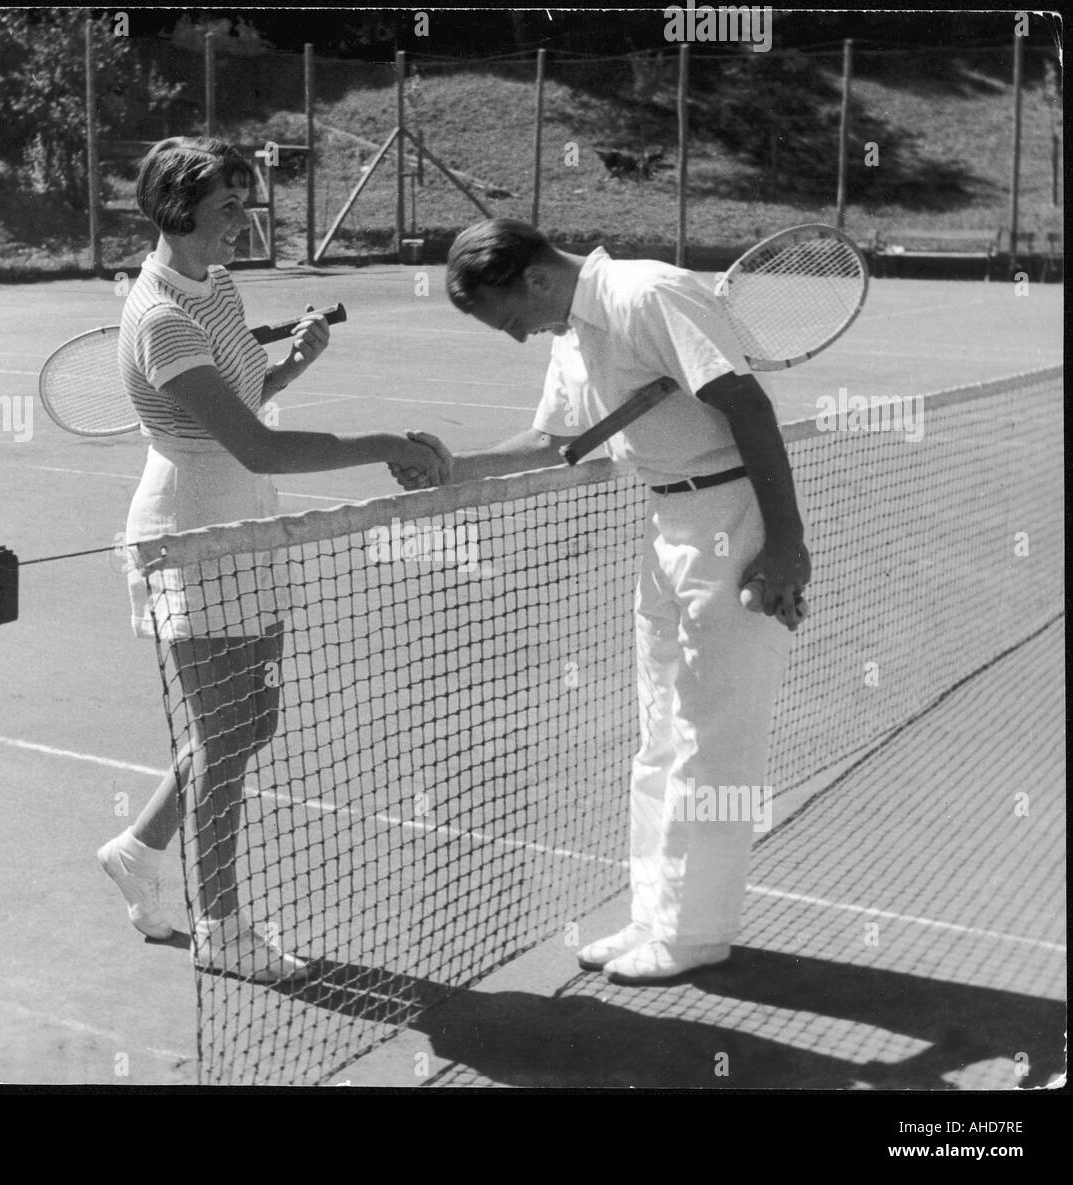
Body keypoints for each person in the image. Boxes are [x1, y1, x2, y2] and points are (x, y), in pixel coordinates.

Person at [394, 218, 809, 983]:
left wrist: (784, 544)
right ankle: (655, 914)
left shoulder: (646, 294)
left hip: (734, 518)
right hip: (668, 520)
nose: (520, 336)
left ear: (538, 279)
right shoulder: (572, 328)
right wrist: (456, 470)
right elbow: (560, 443)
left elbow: (747, 407)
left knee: (714, 737)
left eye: (514, 319)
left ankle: (694, 932)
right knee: (660, 732)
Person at [97, 137, 449, 983]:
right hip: (196, 531)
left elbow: (246, 398)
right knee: (225, 736)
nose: (244, 221)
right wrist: (385, 444)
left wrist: (293, 360)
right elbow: (253, 445)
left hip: (246, 520)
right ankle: (220, 925)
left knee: (248, 724)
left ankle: (139, 849)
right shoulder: (161, 320)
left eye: (247, 202)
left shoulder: (215, 287)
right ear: (176, 210)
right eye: (227, 207)